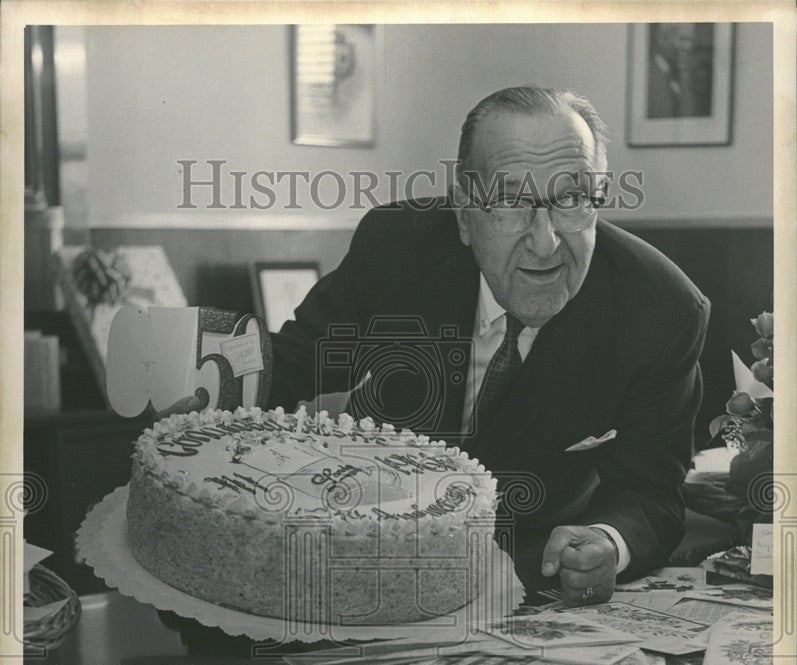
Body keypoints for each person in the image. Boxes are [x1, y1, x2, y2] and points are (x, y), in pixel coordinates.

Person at [263, 86, 710, 604]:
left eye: (571, 198)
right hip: (361, 551)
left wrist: (609, 541)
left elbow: (651, 493)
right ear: (463, 214)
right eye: (509, 201)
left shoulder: (661, 309)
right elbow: (294, 365)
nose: (545, 243)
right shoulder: (395, 247)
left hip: (526, 575)